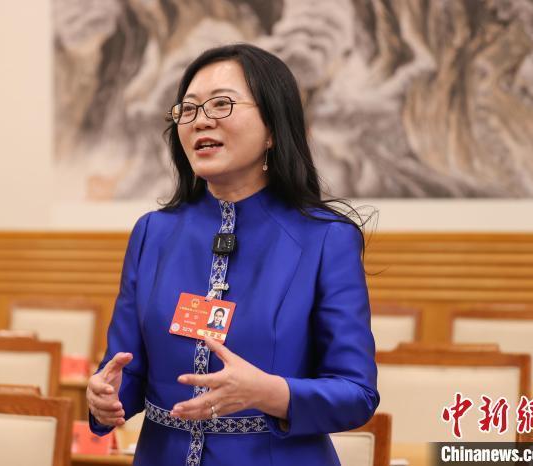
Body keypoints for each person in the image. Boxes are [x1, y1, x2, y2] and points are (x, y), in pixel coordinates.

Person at [86, 43, 379, 466]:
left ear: (273, 127)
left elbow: (356, 394)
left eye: (221, 104)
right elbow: (125, 368)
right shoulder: (153, 233)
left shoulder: (326, 238)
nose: (200, 120)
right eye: (188, 109)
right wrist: (105, 397)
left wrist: (268, 392)